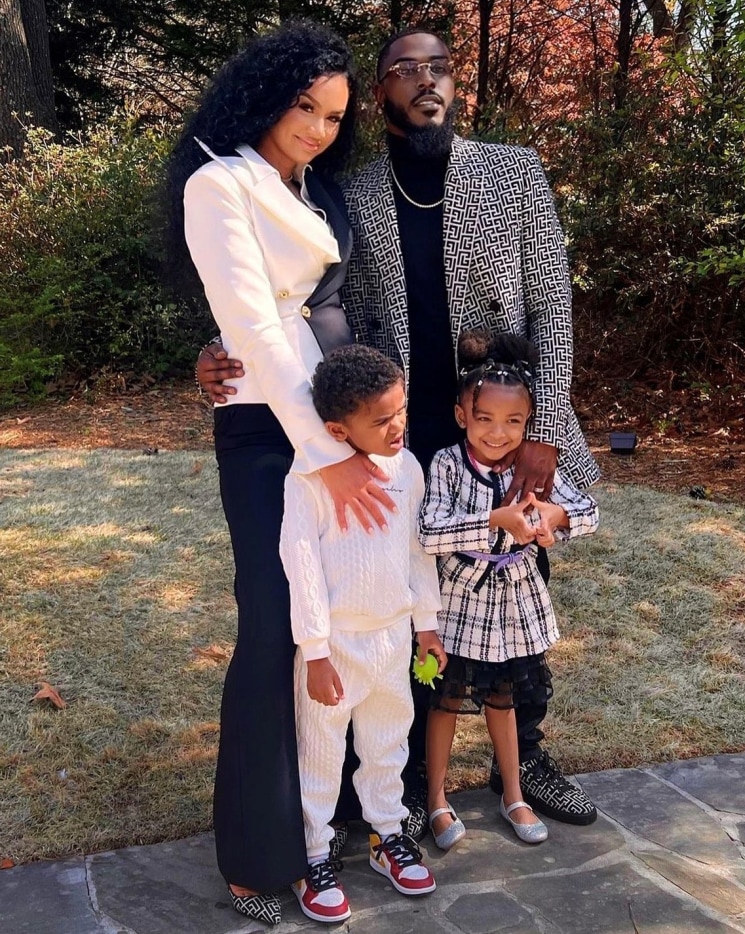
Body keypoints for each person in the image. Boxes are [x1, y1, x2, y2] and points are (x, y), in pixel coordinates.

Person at [196, 28, 602, 829]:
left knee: (518, 596)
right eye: (405, 69)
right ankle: (414, 773)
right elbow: (298, 298)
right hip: (399, 435)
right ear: (379, 93)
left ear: (458, 84)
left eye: (441, 67)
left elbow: (552, 306)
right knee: (412, 606)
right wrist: (218, 348)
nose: (428, 81)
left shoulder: (515, 172)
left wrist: (544, 429)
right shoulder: (349, 190)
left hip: (504, 424)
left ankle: (532, 756)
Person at [163, 21, 395, 925]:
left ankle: (326, 823)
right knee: (272, 625)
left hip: (347, 424)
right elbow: (255, 328)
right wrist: (329, 452)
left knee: (334, 627)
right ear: (264, 95)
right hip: (272, 430)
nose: (317, 127)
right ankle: (258, 858)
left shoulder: (319, 191)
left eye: (335, 115)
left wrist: (363, 433)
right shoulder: (219, 184)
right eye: (305, 106)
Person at [280, 344, 445, 922]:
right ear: (335, 428)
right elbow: (300, 568)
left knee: (387, 744)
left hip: (392, 639)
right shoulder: (308, 481)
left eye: (401, 411)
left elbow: (418, 554)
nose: (397, 426)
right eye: (380, 420)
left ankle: (387, 835)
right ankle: (313, 852)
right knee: (320, 752)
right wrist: (317, 652)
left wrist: (426, 625)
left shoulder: (410, 469)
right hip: (336, 648)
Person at [418, 330, 599, 850]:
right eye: (485, 420)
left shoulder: (533, 470)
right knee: (447, 700)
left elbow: (588, 512)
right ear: (461, 417)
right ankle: (435, 798)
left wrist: (554, 516)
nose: (498, 434)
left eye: (514, 422)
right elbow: (430, 532)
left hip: (514, 602)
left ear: (529, 423)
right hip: (460, 600)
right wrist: (493, 521)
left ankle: (514, 793)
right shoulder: (448, 465)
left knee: (505, 696)